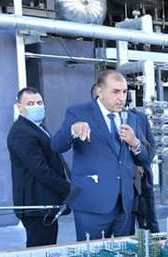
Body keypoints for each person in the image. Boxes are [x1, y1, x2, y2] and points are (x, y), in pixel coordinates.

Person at [52, 70, 152, 241]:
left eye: (124, 92)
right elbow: (57, 145)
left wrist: (135, 143)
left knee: (124, 253)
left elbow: (145, 158)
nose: (121, 98)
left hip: (124, 203)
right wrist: (73, 131)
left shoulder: (130, 118)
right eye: (115, 92)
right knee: (92, 254)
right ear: (100, 91)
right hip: (91, 203)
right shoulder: (78, 112)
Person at [7, 87, 71, 247]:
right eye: (30, 104)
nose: (36, 107)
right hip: (36, 206)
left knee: (48, 245)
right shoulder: (21, 132)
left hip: (46, 204)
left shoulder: (37, 127)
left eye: (39, 103)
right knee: (40, 248)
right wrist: (68, 188)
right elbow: (41, 170)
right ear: (19, 107)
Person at [127, 106, 158, 233]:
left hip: (142, 180)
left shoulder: (139, 117)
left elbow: (151, 145)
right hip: (123, 182)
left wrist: (142, 164)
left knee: (149, 222)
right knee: (126, 226)